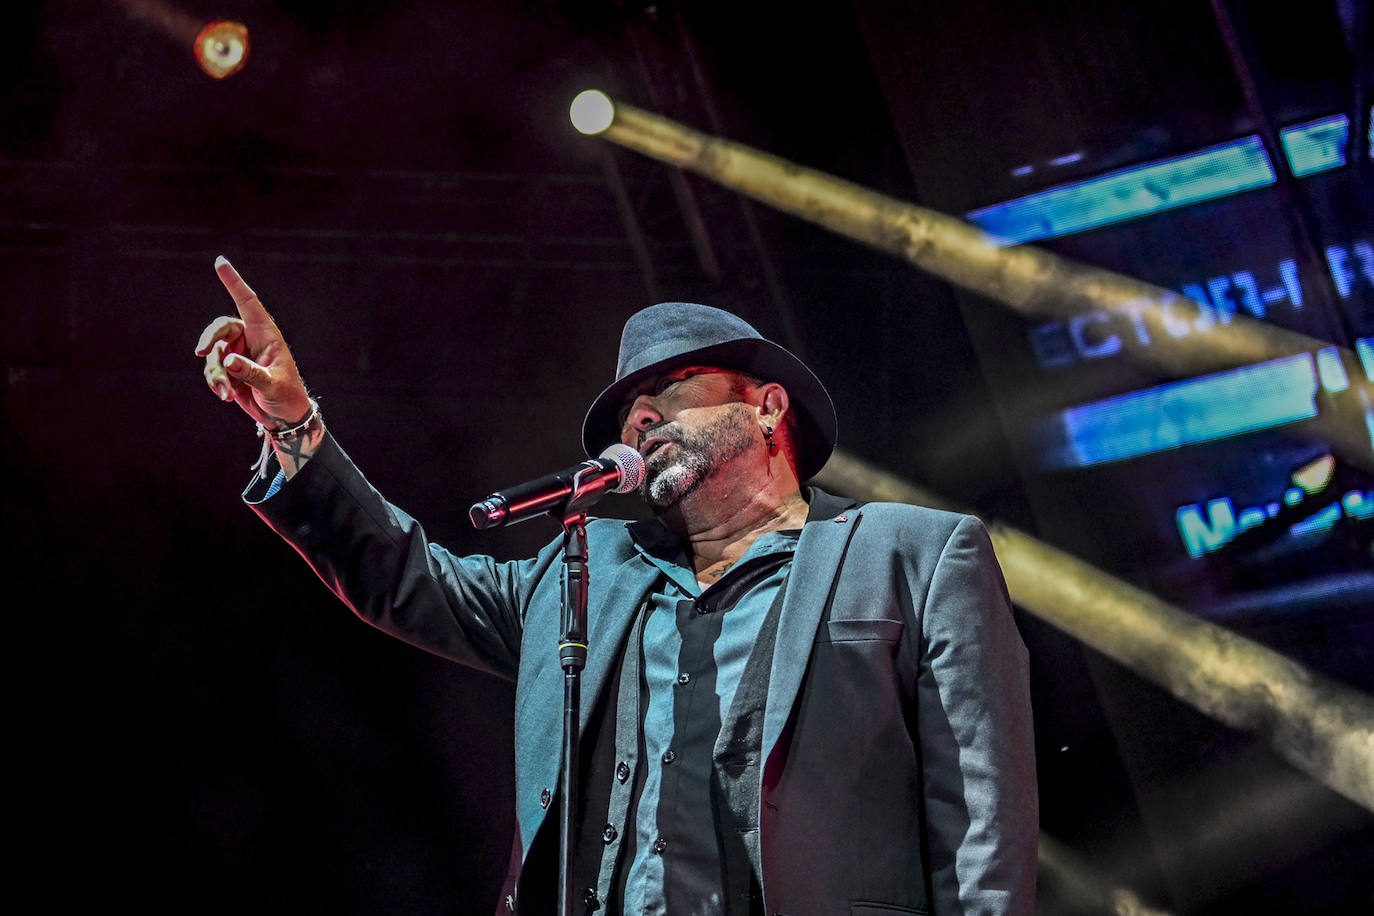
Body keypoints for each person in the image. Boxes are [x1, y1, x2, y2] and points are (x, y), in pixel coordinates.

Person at [196, 255, 1038, 915]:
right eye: (629, 408)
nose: (641, 419)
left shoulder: (914, 554)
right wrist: (294, 427)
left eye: (667, 389)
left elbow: (980, 821)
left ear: (769, 408)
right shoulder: (584, 574)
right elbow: (405, 576)